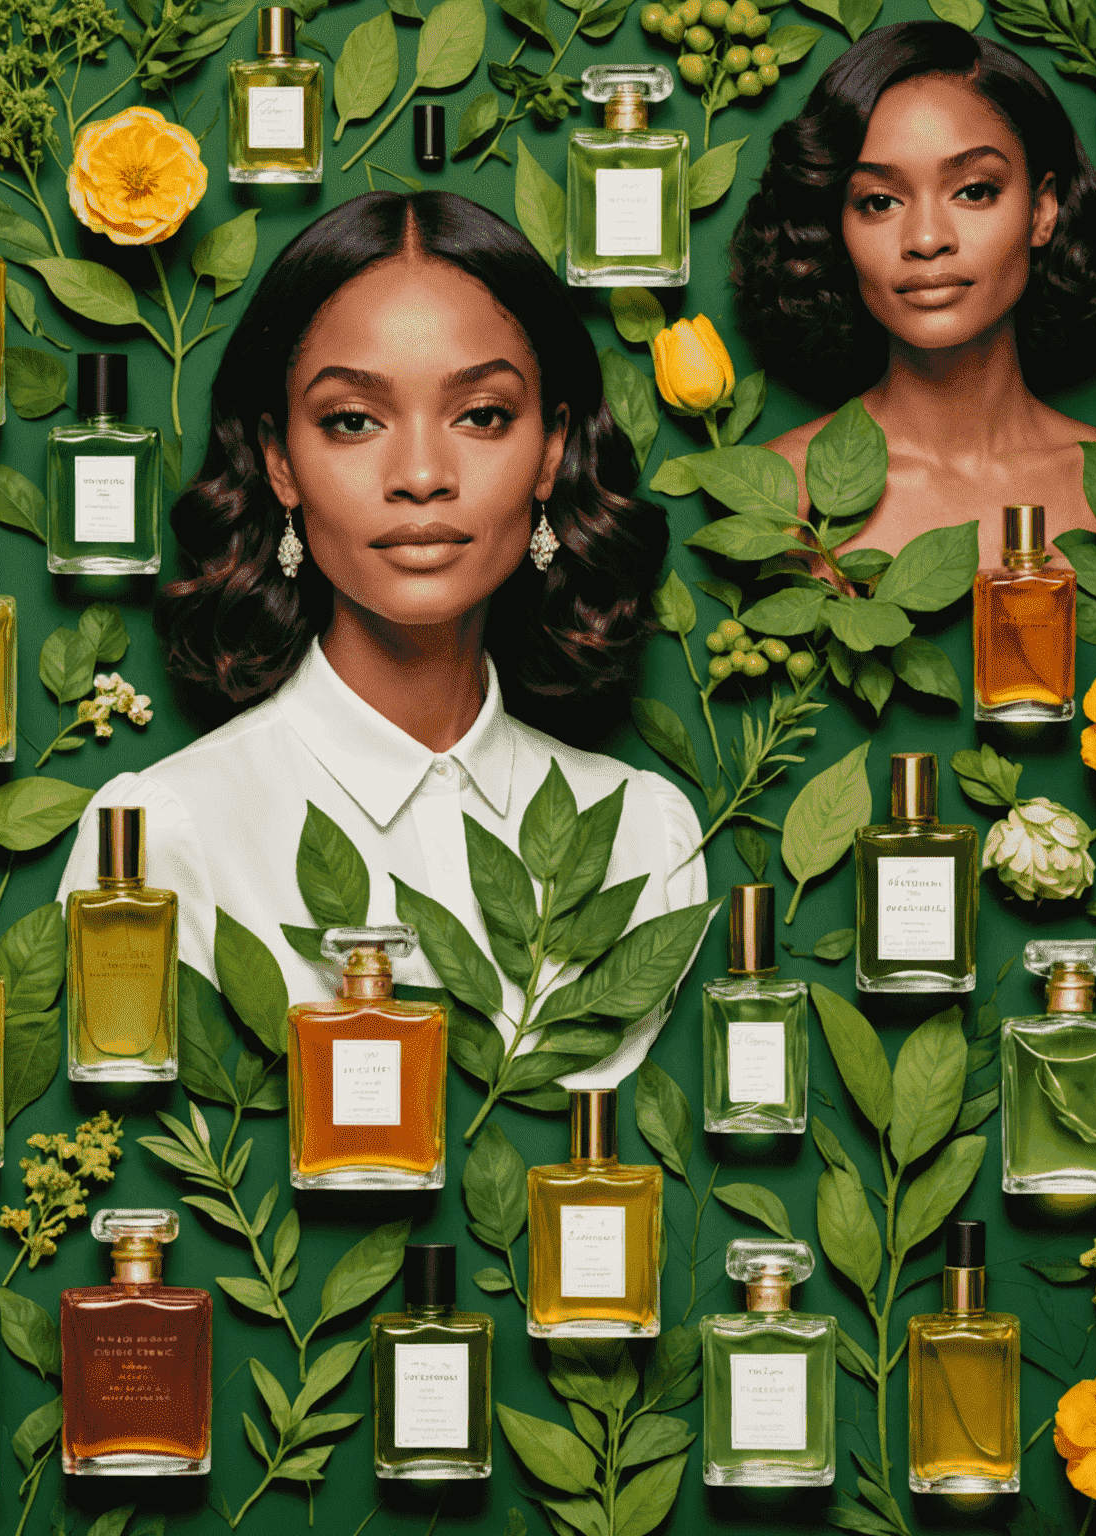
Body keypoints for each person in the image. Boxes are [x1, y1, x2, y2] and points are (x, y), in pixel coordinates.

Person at [55, 190, 707, 1088]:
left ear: (552, 450)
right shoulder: (164, 842)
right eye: (353, 420)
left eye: (481, 415)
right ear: (280, 459)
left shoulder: (648, 837)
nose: (422, 477)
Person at [730, 21, 1096, 567]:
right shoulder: (779, 500)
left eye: (974, 191)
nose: (926, 240)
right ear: (838, 228)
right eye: (879, 201)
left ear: (1042, 211)